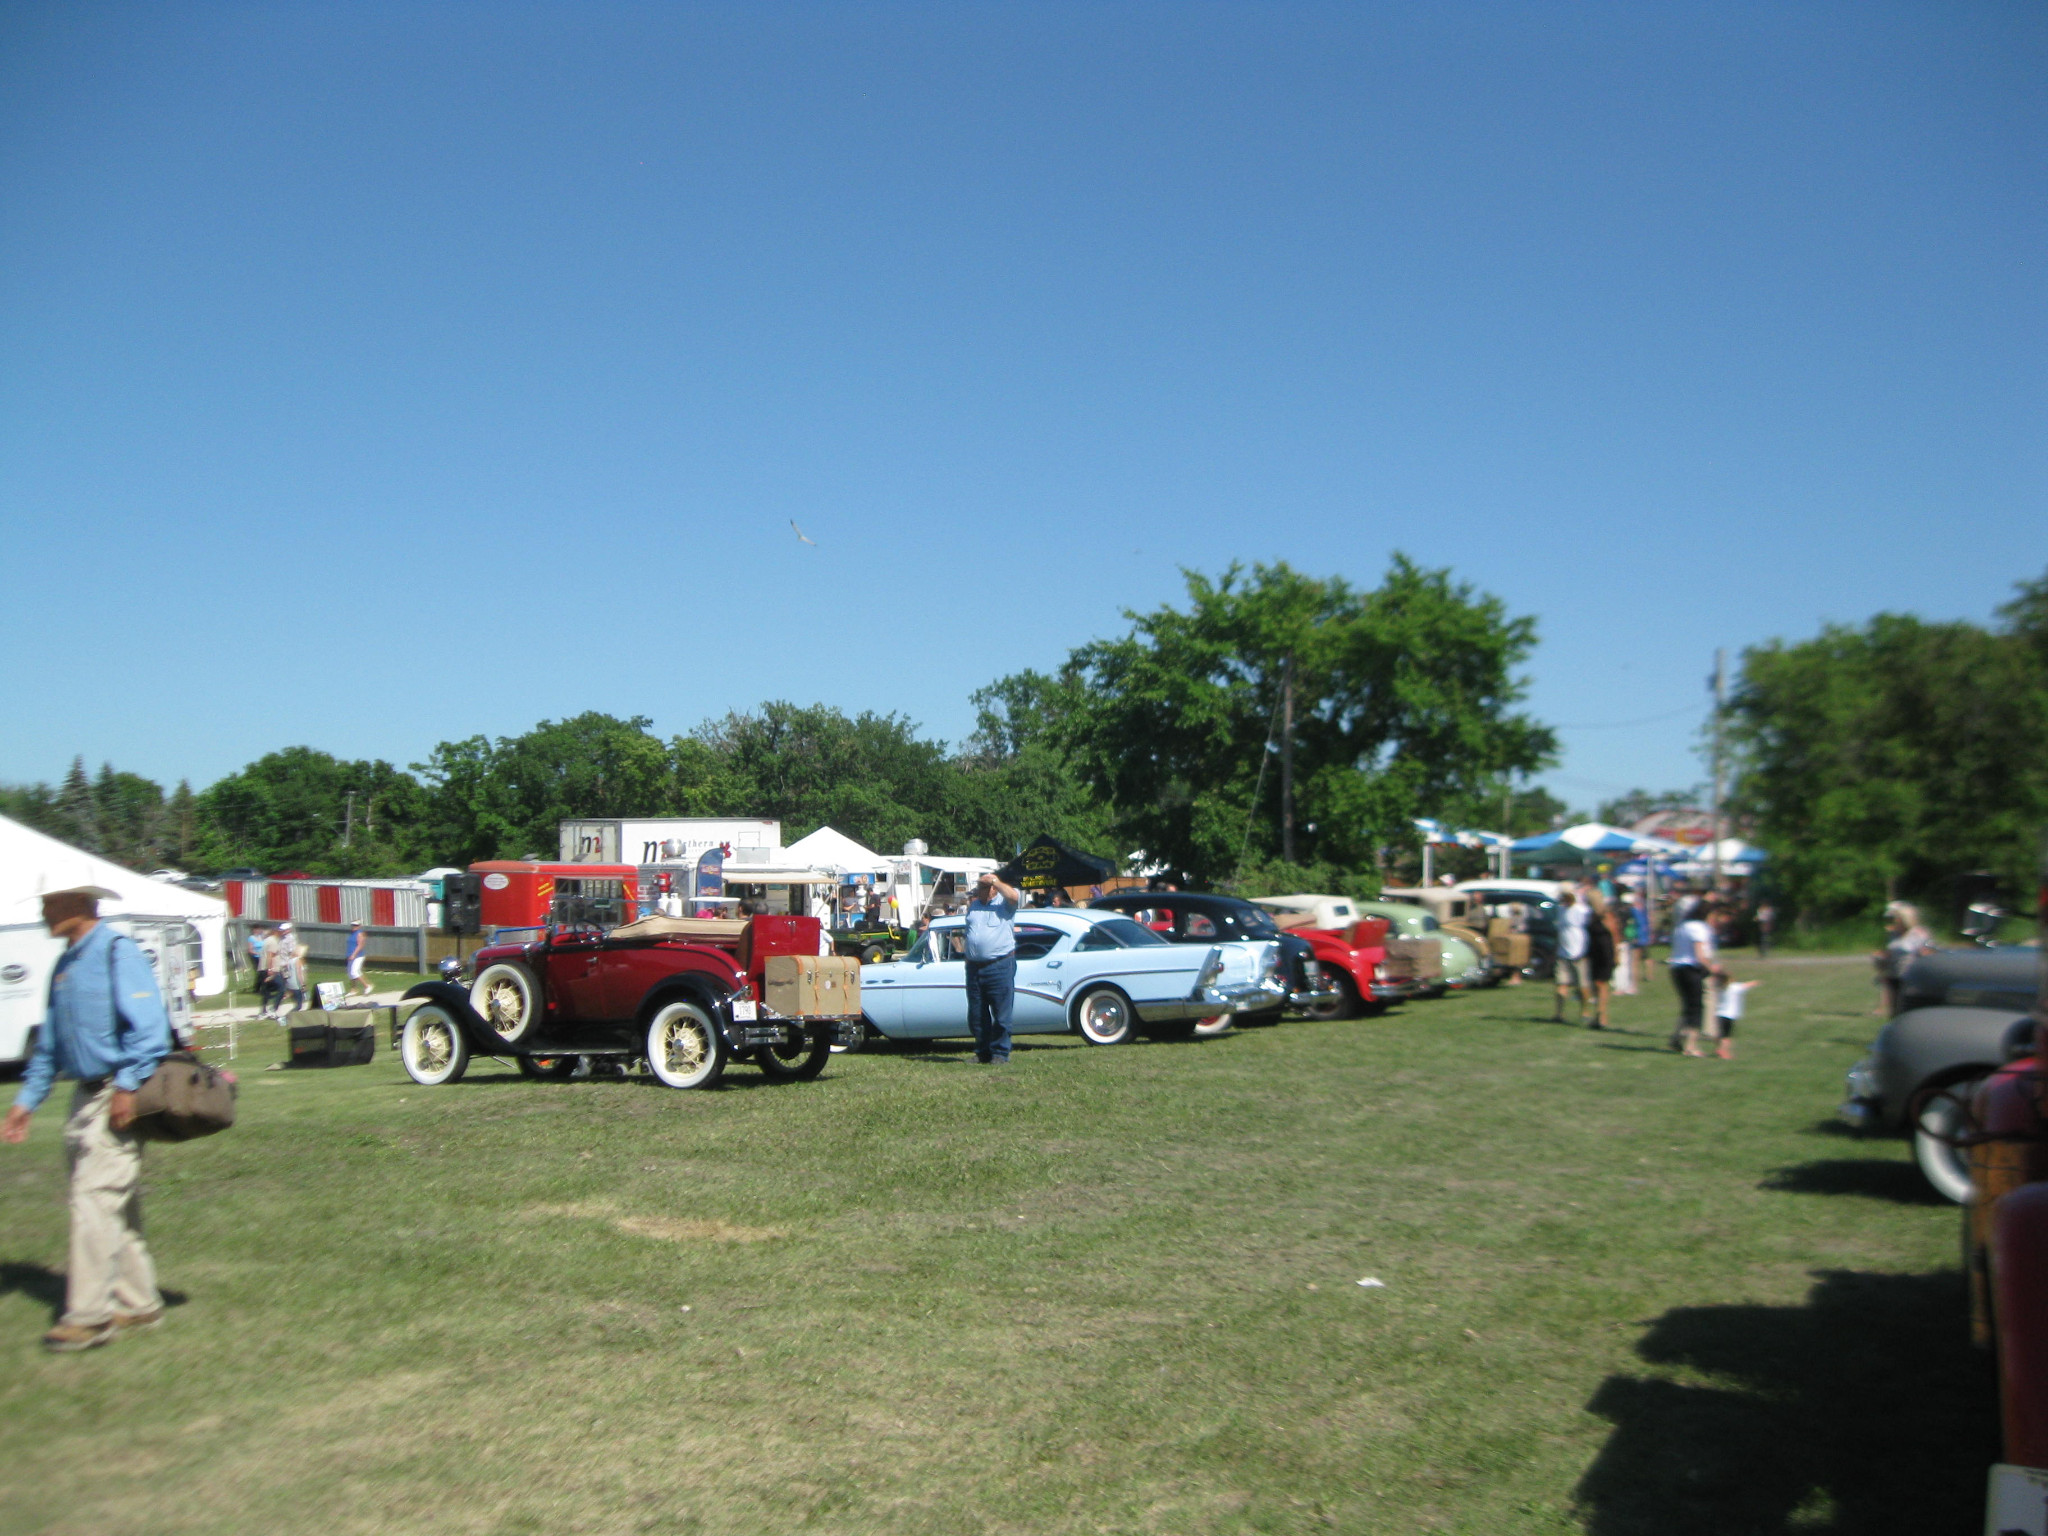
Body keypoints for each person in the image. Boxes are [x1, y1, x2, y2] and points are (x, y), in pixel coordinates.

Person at [1, 887, 172, 1352]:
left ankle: (90, 1317)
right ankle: (139, 1303)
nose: (43, 911)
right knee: (116, 1202)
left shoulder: (118, 952)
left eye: (50, 903)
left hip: (116, 1093)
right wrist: (25, 1102)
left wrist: (126, 1086)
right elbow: (50, 1045)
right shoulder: (65, 964)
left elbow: (150, 1029)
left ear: (81, 904)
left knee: (92, 1200)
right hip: (83, 1097)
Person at [963, 869, 1024, 1064]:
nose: (978, 891)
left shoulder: (1004, 905)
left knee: (1001, 1013)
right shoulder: (974, 906)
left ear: (992, 889)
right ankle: (983, 1052)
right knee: (977, 1014)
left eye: (982, 887)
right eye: (978, 887)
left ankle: (1000, 1053)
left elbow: (1014, 896)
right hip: (974, 967)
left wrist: (994, 881)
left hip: (999, 965)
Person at [1668, 895, 1726, 1056]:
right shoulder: (1699, 928)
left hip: (1676, 968)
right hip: (1691, 969)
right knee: (1696, 1008)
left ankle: (1678, 1038)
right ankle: (1691, 1046)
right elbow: (1700, 955)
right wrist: (1714, 969)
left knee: (1688, 1006)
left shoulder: (1682, 926)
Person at [1873, 902, 1933, 1018]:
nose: (1894, 921)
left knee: (1908, 1009)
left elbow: (1927, 953)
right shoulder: (1893, 934)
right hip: (1894, 975)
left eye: (1896, 918)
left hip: (1911, 976)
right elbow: (1891, 950)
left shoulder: (1918, 933)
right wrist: (1882, 956)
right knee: (1895, 1011)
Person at [1550, 889, 1590, 1024]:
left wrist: (1585, 951)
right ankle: (1559, 1013)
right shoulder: (1560, 910)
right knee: (1561, 983)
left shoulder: (1582, 911)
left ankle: (1585, 1011)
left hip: (1579, 954)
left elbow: (1587, 931)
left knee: (1582, 986)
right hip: (1562, 954)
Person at [1583, 889, 1617, 1030]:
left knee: (1601, 983)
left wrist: (1616, 954)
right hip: (1593, 951)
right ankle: (1597, 1014)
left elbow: (1614, 934)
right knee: (1595, 984)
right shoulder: (1590, 915)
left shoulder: (1605, 915)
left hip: (1605, 951)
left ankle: (1602, 1016)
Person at [1709, 978, 1759, 1061]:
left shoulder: (1719, 988)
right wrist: (1756, 982)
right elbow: (1746, 985)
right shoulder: (1734, 987)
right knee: (1727, 1036)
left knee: (1720, 1034)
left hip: (1719, 1014)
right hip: (1730, 1015)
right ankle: (1724, 1052)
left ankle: (1719, 1048)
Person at [345, 923, 373, 1000]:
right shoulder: (352, 934)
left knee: (354, 972)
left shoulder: (360, 934)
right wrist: (350, 955)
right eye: (353, 925)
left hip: (358, 956)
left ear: (359, 926)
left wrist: (354, 954)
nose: (354, 927)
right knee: (350, 973)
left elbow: (360, 945)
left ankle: (367, 986)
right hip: (350, 955)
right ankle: (353, 989)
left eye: (356, 925)